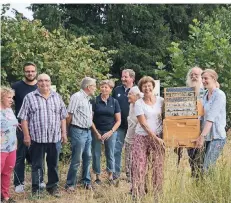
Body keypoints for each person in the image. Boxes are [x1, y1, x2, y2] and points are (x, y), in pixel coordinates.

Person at [18, 73, 68, 197]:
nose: (44, 83)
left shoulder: (57, 97)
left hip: (54, 138)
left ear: (50, 82)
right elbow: (24, 119)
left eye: (46, 80)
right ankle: (37, 189)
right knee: (37, 165)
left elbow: (63, 117)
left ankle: (53, 187)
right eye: (41, 81)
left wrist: (64, 133)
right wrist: (26, 135)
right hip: (36, 139)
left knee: (53, 165)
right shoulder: (29, 97)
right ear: (37, 83)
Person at [131, 76, 165, 198]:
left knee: (158, 166)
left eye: (149, 85)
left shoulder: (161, 100)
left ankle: (157, 194)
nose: (147, 88)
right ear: (141, 88)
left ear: (153, 86)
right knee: (139, 165)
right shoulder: (138, 103)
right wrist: (156, 138)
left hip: (159, 136)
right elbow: (143, 124)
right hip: (142, 137)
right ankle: (138, 194)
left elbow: (168, 117)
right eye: (144, 86)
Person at [11, 62, 40, 193]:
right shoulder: (16, 86)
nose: (30, 73)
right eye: (27, 71)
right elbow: (6, 103)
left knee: (37, 155)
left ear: (36, 72)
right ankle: (19, 183)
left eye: (32, 71)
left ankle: (38, 180)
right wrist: (11, 120)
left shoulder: (42, 85)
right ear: (24, 72)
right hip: (21, 127)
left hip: (39, 127)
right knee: (20, 155)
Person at [65, 77, 97, 192]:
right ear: (88, 87)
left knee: (88, 157)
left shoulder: (87, 98)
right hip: (78, 130)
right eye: (94, 86)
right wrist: (67, 131)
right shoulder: (77, 97)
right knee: (77, 158)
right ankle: (70, 184)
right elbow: (69, 115)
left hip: (87, 131)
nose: (95, 88)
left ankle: (86, 181)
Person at [194, 69, 226, 172]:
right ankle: (203, 187)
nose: (203, 80)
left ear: (214, 79)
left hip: (216, 137)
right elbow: (201, 116)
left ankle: (212, 187)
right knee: (199, 167)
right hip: (206, 136)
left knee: (207, 167)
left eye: (206, 78)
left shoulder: (219, 95)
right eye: (202, 78)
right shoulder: (204, 95)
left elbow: (210, 118)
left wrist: (201, 137)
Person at [91, 80, 121, 184]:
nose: (104, 89)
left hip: (110, 131)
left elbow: (118, 120)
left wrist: (111, 132)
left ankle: (110, 176)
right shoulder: (94, 101)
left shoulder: (114, 102)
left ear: (110, 89)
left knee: (110, 153)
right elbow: (90, 119)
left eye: (106, 87)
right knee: (96, 153)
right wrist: (96, 133)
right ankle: (97, 176)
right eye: (102, 87)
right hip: (97, 130)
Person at [112, 69, 135, 180]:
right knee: (117, 149)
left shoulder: (137, 90)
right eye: (122, 77)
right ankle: (116, 173)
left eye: (125, 77)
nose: (123, 79)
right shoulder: (117, 90)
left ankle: (130, 173)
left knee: (131, 151)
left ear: (132, 78)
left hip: (132, 126)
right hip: (119, 126)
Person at [1, 87, 18, 203]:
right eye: (8, 97)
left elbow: (13, 123)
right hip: (0, 148)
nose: (11, 100)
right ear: (1, 97)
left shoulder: (9, 110)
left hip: (12, 147)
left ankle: (5, 196)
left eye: (12, 98)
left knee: (7, 172)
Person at [124, 86, 143, 182]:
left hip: (139, 138)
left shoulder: (141, 105)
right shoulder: (131, 105)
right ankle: (129, 176)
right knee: (128, 158)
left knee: (137, 158)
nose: (128, 95)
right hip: (129, 137)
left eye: (130, 94)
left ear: (137, 96)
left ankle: (136, 176)